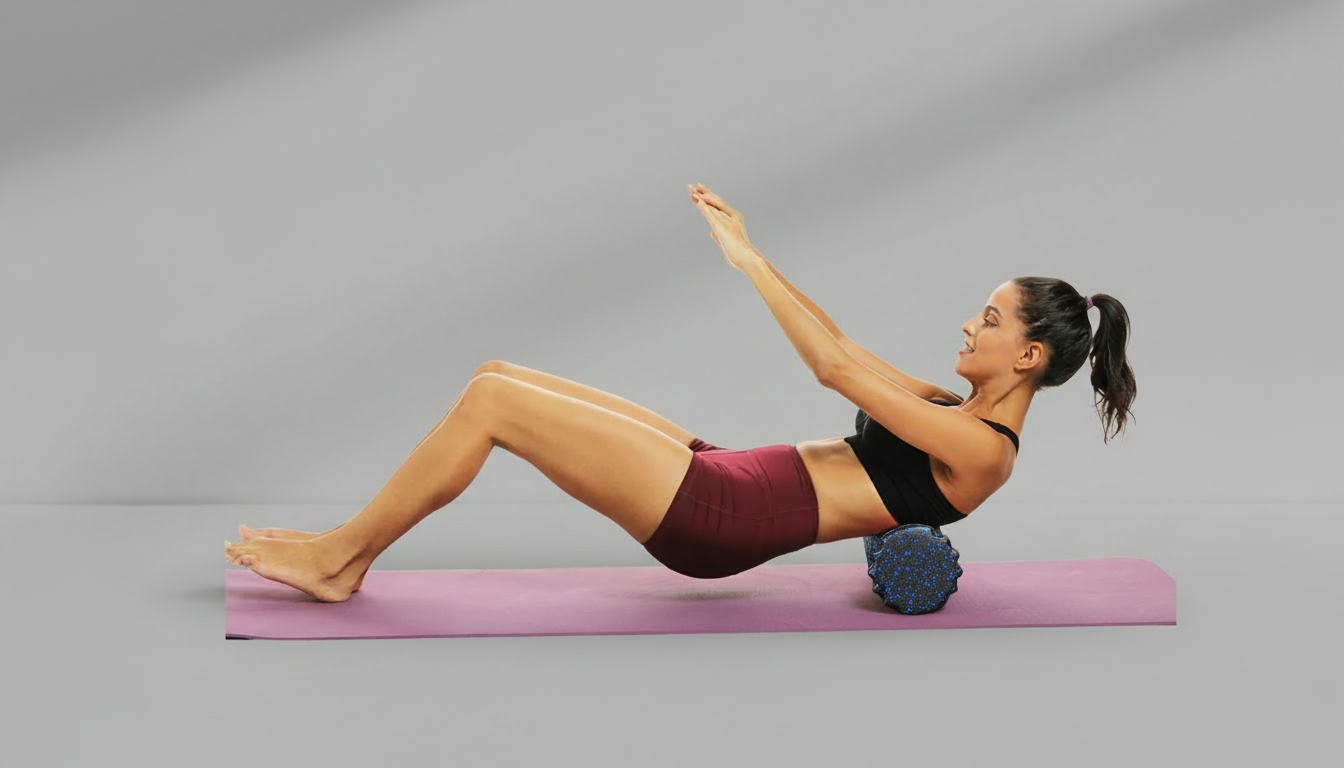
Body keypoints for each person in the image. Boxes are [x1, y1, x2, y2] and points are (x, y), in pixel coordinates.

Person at [225, 184, 1136, 601]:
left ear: (1027, 357)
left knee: (491, 410)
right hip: (731, 471)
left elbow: (832, 370)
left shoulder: (982, 454)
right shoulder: (953, 408)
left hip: (724, 518)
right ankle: (341, 548)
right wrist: (761, 249)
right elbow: (848, 346)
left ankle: (342, 559)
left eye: (988, 319)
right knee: (497, 376)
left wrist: (744, 269)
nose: (970, 326)